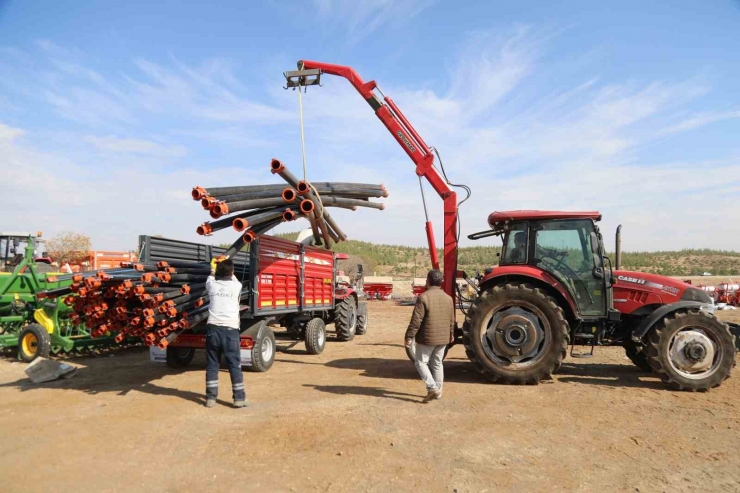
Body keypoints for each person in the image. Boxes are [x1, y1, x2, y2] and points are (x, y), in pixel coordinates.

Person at [404, 269, 454, 403]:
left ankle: (432, 388)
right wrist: (451, 334)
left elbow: (416, 320)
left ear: (428, 281)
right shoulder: (448, 298)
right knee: (437, 363)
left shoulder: (423, 297)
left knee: (420, 362)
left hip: (427, 338)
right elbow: (451, 319)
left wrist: (409, 336)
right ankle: (438, 392)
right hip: (443, 338)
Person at [204, 257, 246, 409]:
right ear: (232, 271)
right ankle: (239, 399)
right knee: (234, 364)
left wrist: (213, 267)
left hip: (213, 330)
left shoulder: (212, 285)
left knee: (212, 364)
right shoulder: (236, 286)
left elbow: (210, 276)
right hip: (230, 330)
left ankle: (210, 398)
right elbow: (233, 277)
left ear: (218, 272)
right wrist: (227, 262)